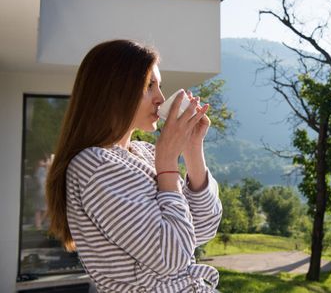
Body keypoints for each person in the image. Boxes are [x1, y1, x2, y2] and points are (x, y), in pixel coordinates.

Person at [46, 40, 222, 292]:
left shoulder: (145, 153)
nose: (161, 98)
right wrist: (168, 163)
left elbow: (203, 229)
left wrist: (192, 149)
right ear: (114, 90)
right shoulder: (93, 165)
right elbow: (172, 257)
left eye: (159, 86)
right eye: (150, 86)